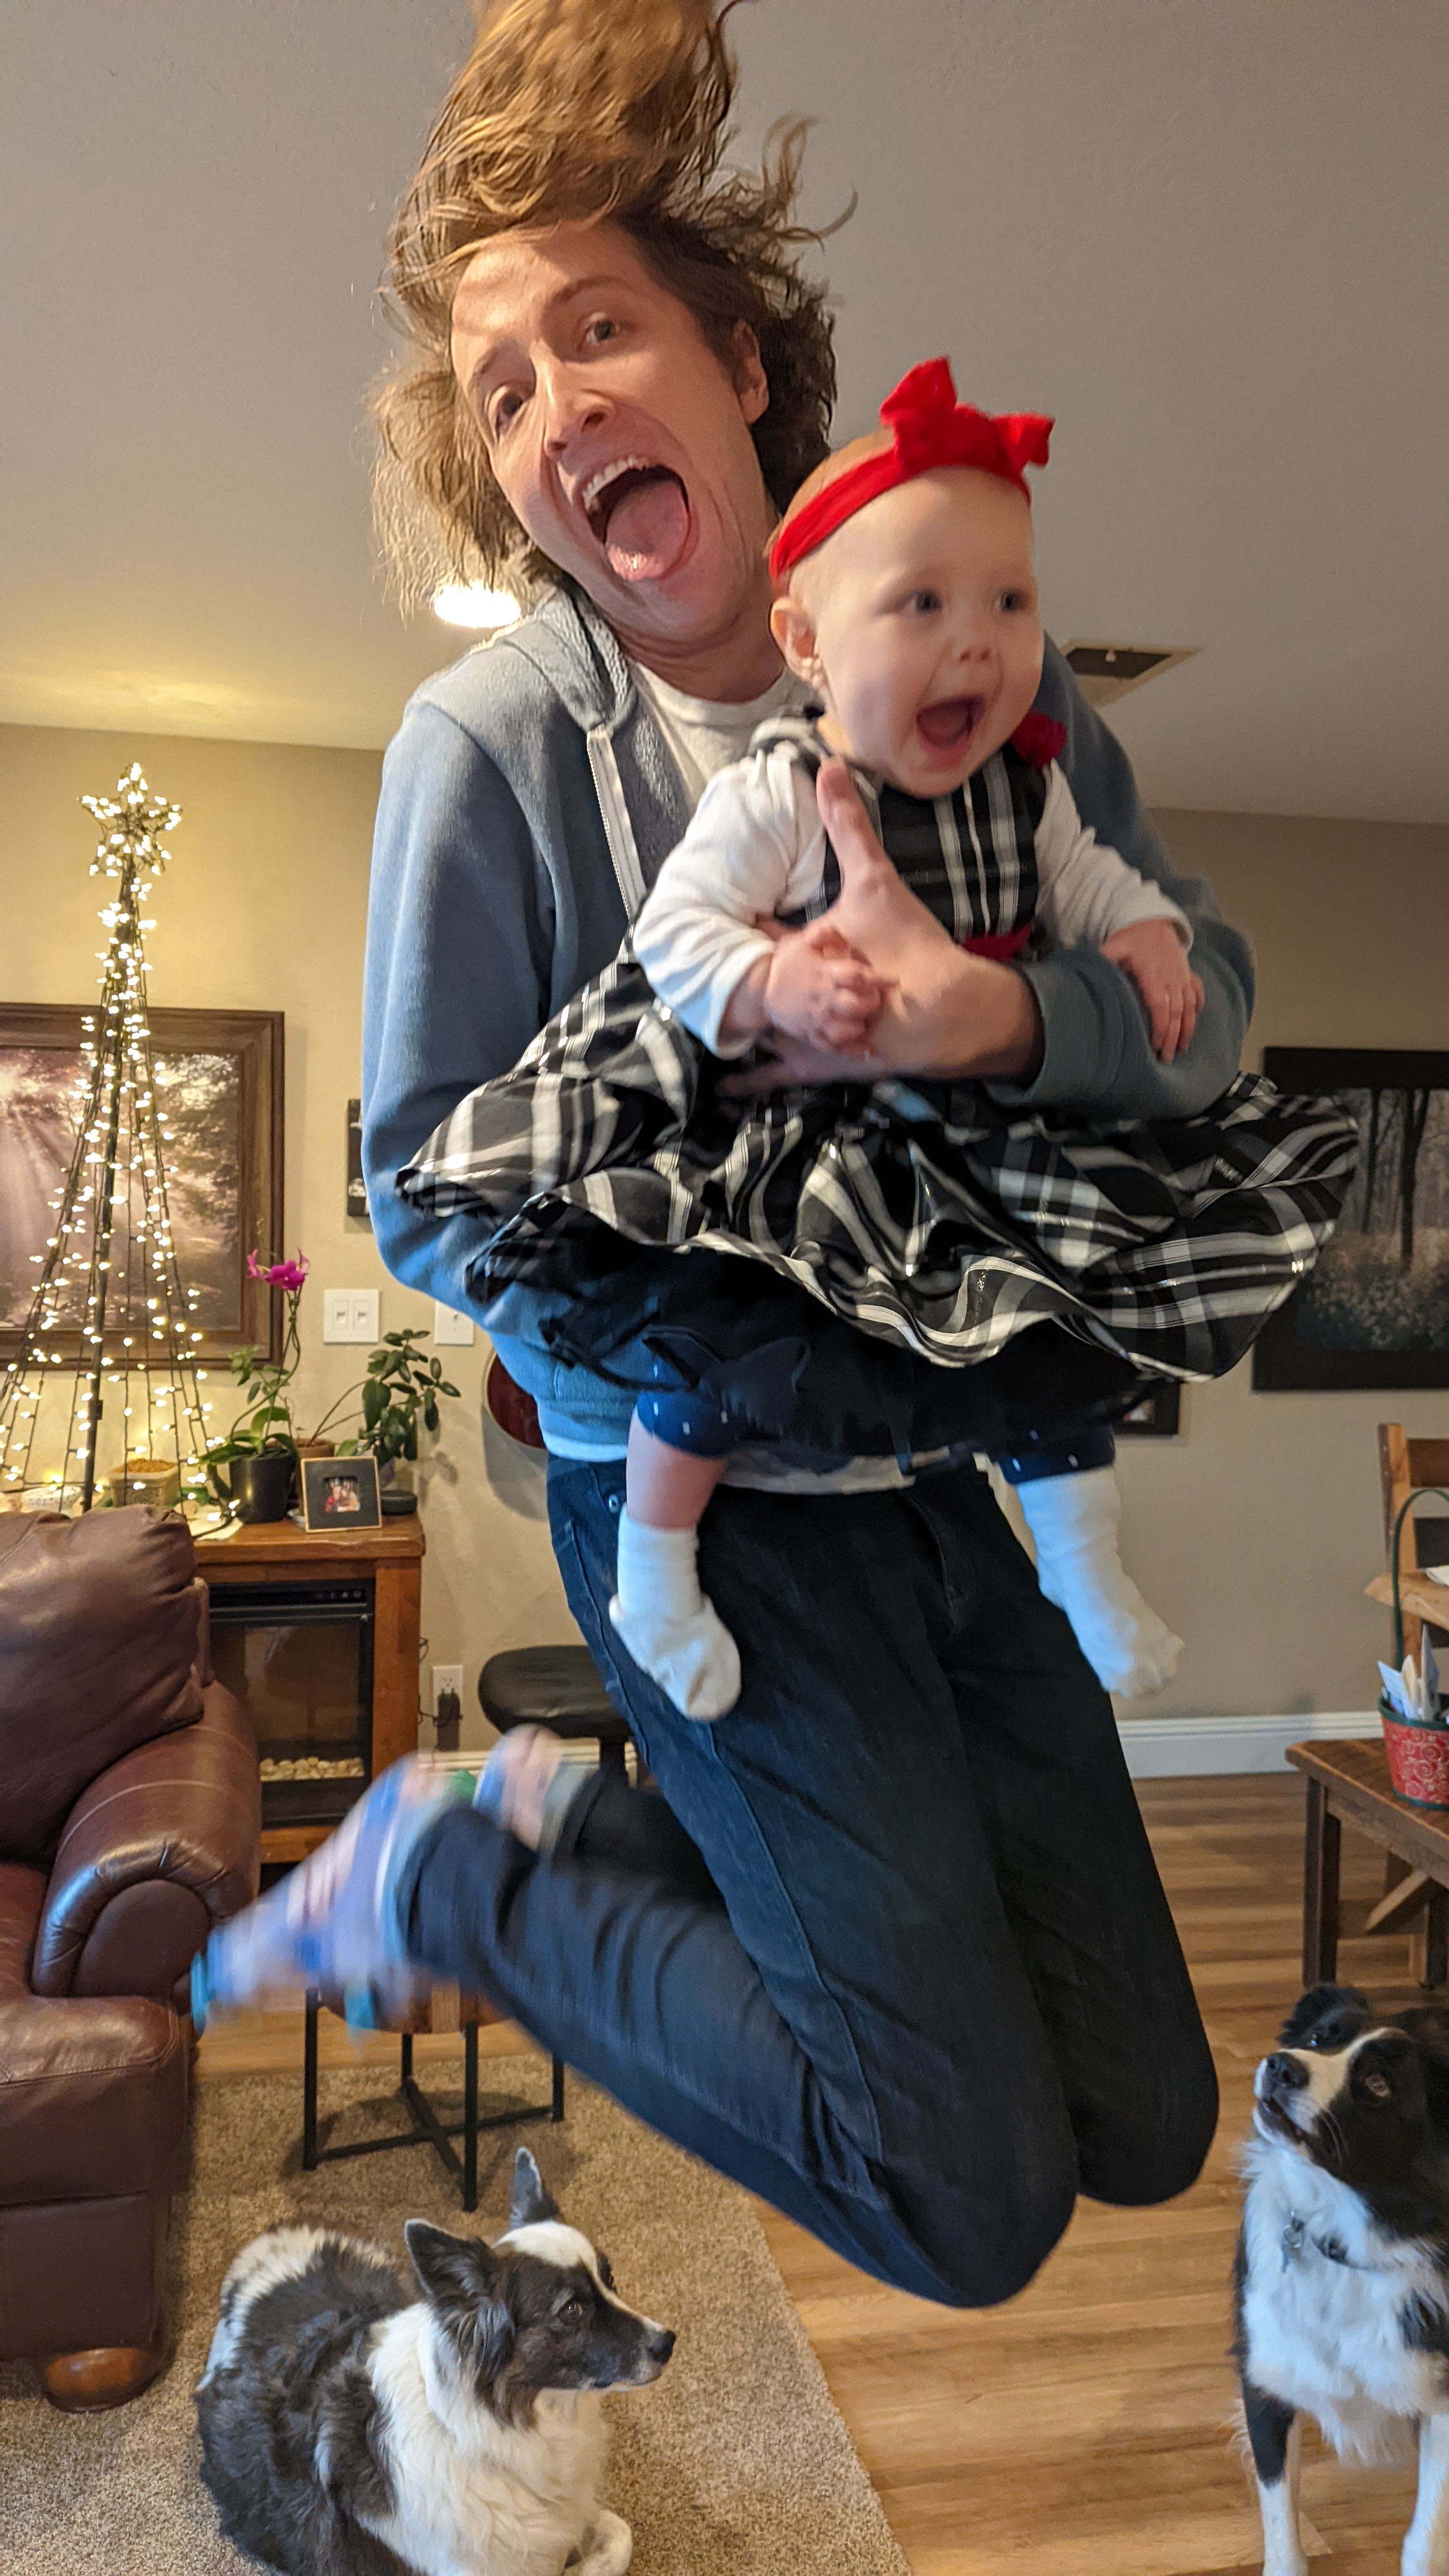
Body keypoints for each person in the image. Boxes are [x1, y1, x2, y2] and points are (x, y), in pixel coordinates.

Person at [196, 0, 1234, 2309]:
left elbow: (1200, 1019)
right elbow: (418, 1181)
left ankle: (578, 1817)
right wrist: (722, 1318)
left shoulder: (959, 667)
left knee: (1147, 2124)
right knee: (961, 2202)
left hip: (941, 1471)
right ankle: (458, 1877)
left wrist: (1008, 1011)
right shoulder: (495, 744)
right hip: (700, 1503)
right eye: (499, 388)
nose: (554, 404)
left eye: (597, 329)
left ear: (740, 361)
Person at [396, 356, 1355, 1718]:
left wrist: (1143, 942)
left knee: (1045, 1338)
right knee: (722, 1354)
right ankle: (656, 1567)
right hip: (798, 1137)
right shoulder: (783, 783)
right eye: (922, 605)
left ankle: (1084, 1566)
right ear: (809, 647)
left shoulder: (1026, 792)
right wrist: (773, 983)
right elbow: (678, 933)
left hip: (961, 1133)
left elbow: (1091, 887)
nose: (976, 639)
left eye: (1009, 603)